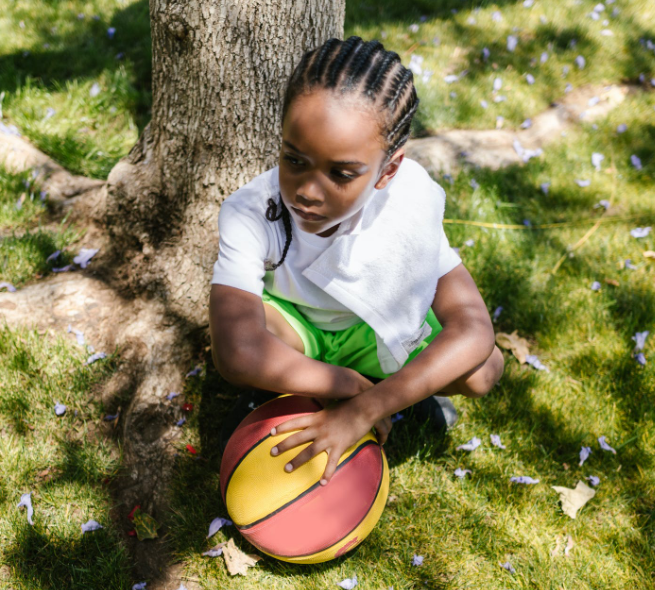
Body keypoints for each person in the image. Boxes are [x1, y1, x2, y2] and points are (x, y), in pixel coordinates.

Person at [208, 36, 504, 486]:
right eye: (294, 159)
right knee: (252, 336)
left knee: (484, 371)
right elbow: (236, 352)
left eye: (342, 174)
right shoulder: (252, 212)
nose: (308, 191)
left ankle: (397, 393)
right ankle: (294, 395)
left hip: (373, 328)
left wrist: (369, 407)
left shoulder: (407, 200)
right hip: (298, 329)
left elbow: (474, 329)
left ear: (388, 170)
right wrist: (345, 385)